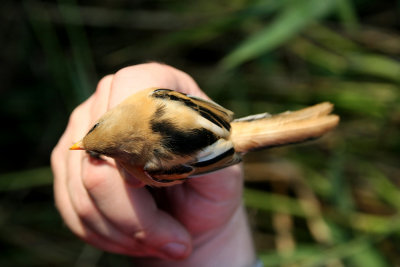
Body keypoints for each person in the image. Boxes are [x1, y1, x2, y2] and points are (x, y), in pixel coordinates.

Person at [51, 63, 258, 266]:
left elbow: (199, 165)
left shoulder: (150, 166)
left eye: (108, 151)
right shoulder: (150, 98)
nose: (80, 144)